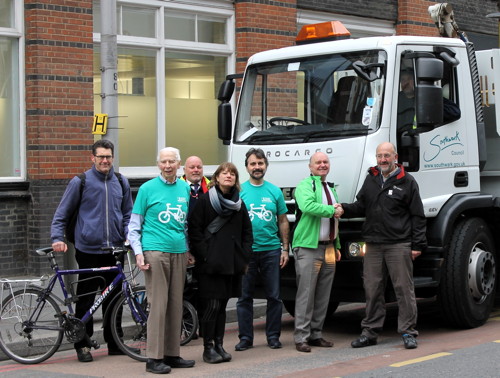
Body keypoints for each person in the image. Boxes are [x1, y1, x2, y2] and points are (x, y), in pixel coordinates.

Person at [50, 139, 133, 363]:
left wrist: (128, 234)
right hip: (88, 250)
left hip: (115, 250)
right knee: (86, 299)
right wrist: (57, 237)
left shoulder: (120, 181)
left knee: (114, 298)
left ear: (112, 158)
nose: (105, 160)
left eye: (108, 156)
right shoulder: (81, 181)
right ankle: (82, 345)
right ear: (92, 158)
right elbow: (62, 213)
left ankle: (115, 342)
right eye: (101, 156)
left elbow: (128, 214)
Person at [339, 142, 427, 350]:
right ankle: (370, 332)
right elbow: (361, 206)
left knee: (403, 289)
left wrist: (417, 245)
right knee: (372, 288)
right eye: (379, 156)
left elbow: (418, 216)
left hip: (399, 244)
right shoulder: (371, 179)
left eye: (387, 155)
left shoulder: (407, 181)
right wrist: (342, 208)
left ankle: (408, 332)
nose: (383, 160)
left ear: (395, 157)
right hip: (373, 244)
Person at [128, 147, 195, 374]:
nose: (168, 166)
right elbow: (134, 225)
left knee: (176, 304)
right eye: (164, 162)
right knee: (157, 305)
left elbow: (184, 224)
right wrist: (138, 253)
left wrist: (187, 250)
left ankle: (172, 353)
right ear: (158, 164)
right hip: (154, 251)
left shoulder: (184, 188)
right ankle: (153, 358)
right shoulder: (147, 189)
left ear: (179, 164)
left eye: (172, 162)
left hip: (178, 251)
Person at [188, 162, 253, 364]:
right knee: (211, 306)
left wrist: (243, 254)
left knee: (223, 305)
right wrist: (206, 254)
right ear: (216, 177)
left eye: (232, 173)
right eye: (224, 173)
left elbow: (246, 232)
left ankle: (219, 344)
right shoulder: (206, 201)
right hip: (210, 265)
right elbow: (195, 230)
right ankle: (208, 348)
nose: (228, 176)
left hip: (231, 263)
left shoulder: (239, 204)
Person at [235, 148, 290, 351]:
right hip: (247, 253)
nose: (257, 167)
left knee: (274, 296)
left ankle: (273, 336)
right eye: (253, 164)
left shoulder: (274, 191)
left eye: (260, 163)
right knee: (244, 297)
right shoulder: (239, 191)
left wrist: (285, 249)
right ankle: (245, 338)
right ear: (247, 167)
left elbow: (283, 220)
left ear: (266, 165)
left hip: (271, 251)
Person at [292, 151, 342, 353]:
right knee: (306, 293)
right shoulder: (305, 185)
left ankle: (316, 334)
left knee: (323, 294)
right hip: (308, 247)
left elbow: (334, 221)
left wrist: (337, 245)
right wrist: (332, 210)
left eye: (325, 162)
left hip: (328, 247)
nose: (322, 165)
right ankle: (301, 337)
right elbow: (307, 206)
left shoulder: (330, 188)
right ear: (310, 166)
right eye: (318, 162)